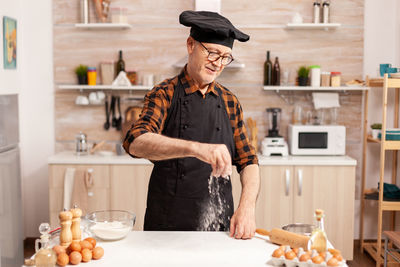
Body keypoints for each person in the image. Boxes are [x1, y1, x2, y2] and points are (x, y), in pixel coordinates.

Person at [123, 10, 260, 239]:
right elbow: (135, 142)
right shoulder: (164, 93)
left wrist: (247, 207)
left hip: (220, 223)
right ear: (190, 45)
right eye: (213, 53)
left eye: (225, 57)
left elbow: (248, 161)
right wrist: (196, 148)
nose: (218, 64)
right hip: (167, 226)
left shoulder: (229, 101)